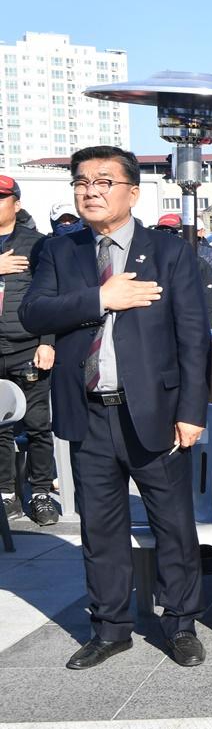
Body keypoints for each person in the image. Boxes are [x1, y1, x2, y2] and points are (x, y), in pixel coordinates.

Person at [19, 145, 211, 670]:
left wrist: (192, 411)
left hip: (156, 410)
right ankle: (109, 627)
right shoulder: (61, 251)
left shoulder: (169, 252)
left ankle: (181, 623)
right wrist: (102, 298)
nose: (90, 190)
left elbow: (193, 338)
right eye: (81, 181)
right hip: (89, 411)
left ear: (132, 190)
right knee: (99, 527)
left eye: (104, 181)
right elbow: (34, 310)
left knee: (172, 522)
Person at [0, 175, 58, 526]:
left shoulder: (37, 244)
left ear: (16, 204)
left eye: (2, 197)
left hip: (27, 347)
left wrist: (47, 342)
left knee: (37, 424)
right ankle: (6, 494)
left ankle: (41, 492)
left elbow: (49, 296)